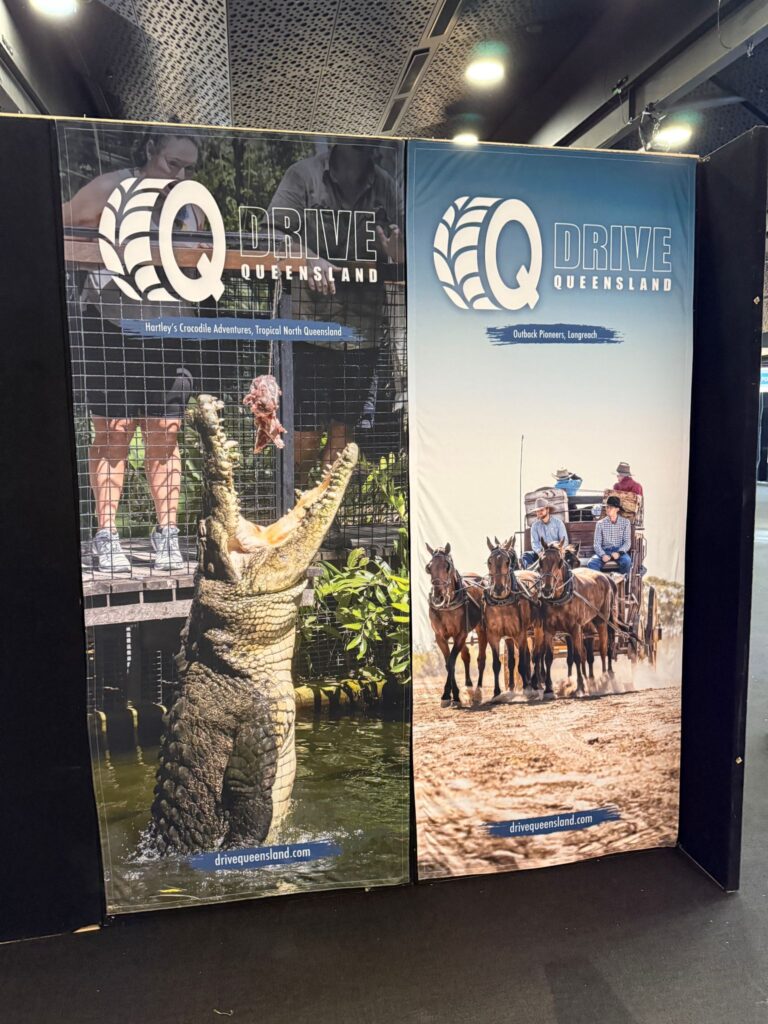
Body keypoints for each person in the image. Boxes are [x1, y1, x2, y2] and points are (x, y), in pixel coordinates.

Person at [62, 128, 206, 573]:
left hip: (166, 330)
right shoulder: (111, 188)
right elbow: (62, 222)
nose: (177, 175)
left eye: (186, 169)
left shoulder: (191, 203)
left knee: (165, 432)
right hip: (110, 325)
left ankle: (168, 537)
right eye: (171, 164)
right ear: (150, 151)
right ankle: (107, 538)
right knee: (114, 431)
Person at [266, 142, 403, 483]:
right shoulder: (304, 176)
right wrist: (306, 257)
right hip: (309, 328)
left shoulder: (387, 185)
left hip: (363, 331)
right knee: (305, 434)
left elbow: (408, 246)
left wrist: (398, 251)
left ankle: (325, 521)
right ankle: (291, 516)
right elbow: (270, 234)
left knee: (344, 437)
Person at [588, 496, 632, 574]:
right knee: (591, 563)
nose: (607, 509)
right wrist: (603, 555)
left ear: (617, 509)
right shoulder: (600, 523)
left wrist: (619, 553)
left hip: (619, 551)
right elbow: (596, 544)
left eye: (610, 507)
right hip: (605, 550)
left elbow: (627, 542)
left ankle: (620, 581)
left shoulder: (625, 522)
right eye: (607, 507)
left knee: (627, 561)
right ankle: (601, 583)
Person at [521, 497, 569, 568]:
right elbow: (534, 543)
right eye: (537, 511)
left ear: (547, 509)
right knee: (525, 556)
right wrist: (539, 552)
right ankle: (529, 576)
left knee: (569, 560)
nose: (539, 512)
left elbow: (565, 541)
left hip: (555, 553)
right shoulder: (535, 526)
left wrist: (557, 551)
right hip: (542, 553)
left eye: (541, 510)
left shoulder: (558, 523)